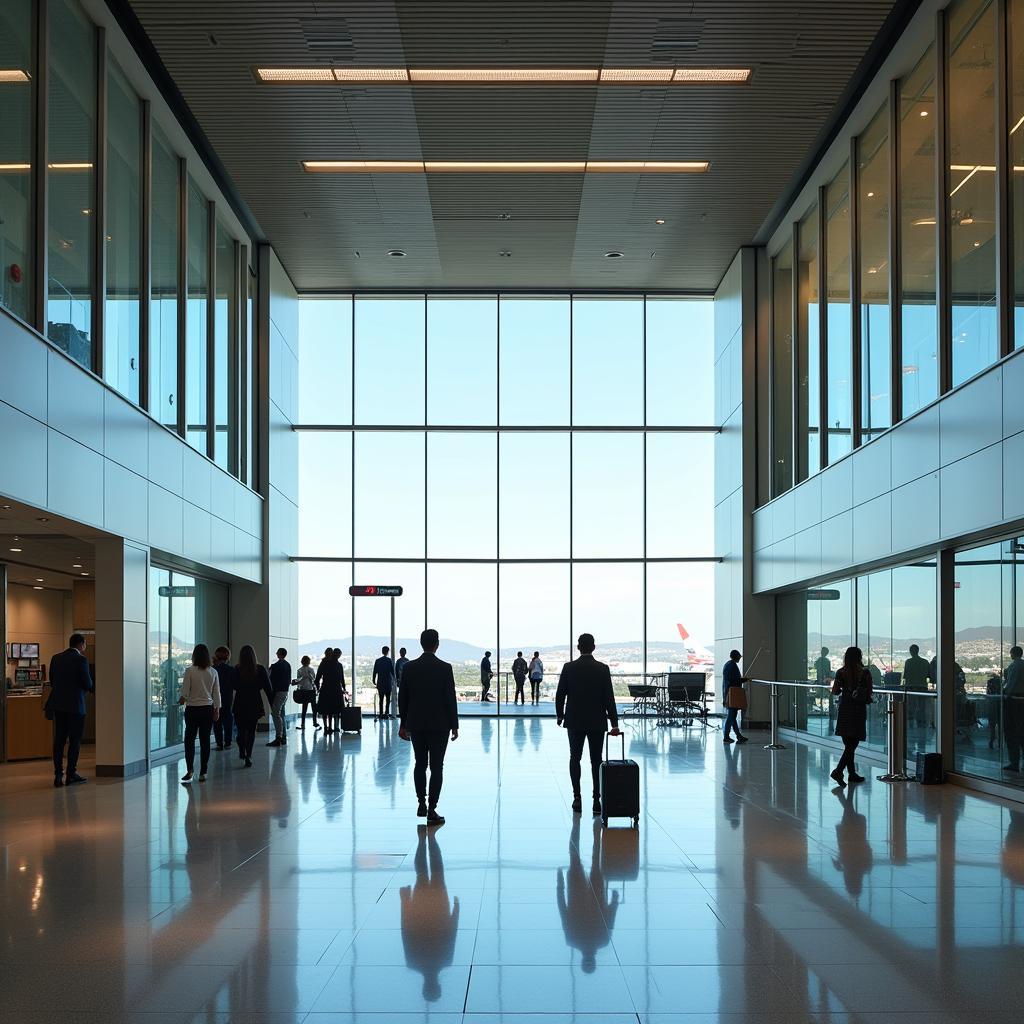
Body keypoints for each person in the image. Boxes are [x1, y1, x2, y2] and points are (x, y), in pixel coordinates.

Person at [555, 633, 621, 816]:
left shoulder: (569, 668)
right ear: (593, 647)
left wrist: (560, 715)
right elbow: (609, 698)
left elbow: (560, 694)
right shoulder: (602, 669)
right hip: (597, 721)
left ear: (578, 647)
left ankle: (577, 797)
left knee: (574, 758)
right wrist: (614, 723)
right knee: (596, 760)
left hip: (574, 720)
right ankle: (596, 800)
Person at [399, 629, 459, 825]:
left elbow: (403, 699)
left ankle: (420, 802)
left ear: (421, 643)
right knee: (436, 766)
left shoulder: (409, 668)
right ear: (437, 644)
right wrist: (454, 724)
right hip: (440, 724)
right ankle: (432, 808)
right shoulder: (445, 668)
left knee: (420, 764)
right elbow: (450, 699)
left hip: (416, 723)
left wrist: (403, 723)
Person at [400, 827, 460, 1002]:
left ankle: (430, 839)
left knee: (437, 874)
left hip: (438, 910)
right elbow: (406, 932)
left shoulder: (446, 960)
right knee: (421, 875)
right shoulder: (413, 962)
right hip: (421, 912)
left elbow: (451, 933)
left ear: (437, 986)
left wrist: (456, 910)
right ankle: (423, 841)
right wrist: (405, 902)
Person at [46, 632, 94, 787]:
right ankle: (71, 774)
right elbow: (87, 684)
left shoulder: (56, 658)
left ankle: (58, 775)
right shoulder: (81, 659)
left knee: (59, 741)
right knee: (74, 741)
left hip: (59, 706)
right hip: (76, 707)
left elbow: (53, 681)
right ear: (81, 644)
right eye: (85, 644)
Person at [178, 643, 221, 783]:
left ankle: (190, 769)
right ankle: (203, 771)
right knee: (205, 741)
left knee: (189, 740)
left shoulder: (190, 671)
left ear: (194, 655)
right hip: (207, 709)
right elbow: (216, 693)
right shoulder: (213, 672)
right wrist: (217, 709)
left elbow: (184, 692)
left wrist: (181, 700)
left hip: (192, 709)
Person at [830, 646, 873, 787]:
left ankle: (851, 773)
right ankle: (839, 771)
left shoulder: (841, 672)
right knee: (852, 744)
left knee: (848, 743)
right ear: (859, 657)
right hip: (858, 710)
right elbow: (868, 694)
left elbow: (835, 691)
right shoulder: (865, 673)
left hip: (845, 709)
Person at [234, 644, 273, 767]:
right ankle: (248, 755)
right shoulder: (260, 669)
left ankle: (241, 750)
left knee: (240, 730)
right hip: (255, 702)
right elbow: (268, 688)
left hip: (240, 702)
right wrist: (272, 704)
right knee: (251, 731)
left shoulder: (237, 669)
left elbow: (233, 686)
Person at [721, 649, 749, 744]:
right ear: (736, 657)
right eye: (739, 657)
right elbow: (733, 680)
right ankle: (726, 736)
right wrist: (743, 680)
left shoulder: (728, 664)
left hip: (729, 693)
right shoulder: (732, 665)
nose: (740, 659)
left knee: (732, 716)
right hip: (732, 694)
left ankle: (738, 736)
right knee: (731, 716)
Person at [212, 645, 237, 751]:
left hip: (214, 699)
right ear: (228, 657)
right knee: (228, 720)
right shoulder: (231, 670)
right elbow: (235, 685)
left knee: (216, 720)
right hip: (227, 698)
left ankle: (219, 743)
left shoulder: (213, 669)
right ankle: (228, 742)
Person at [1003, 646, 1024, 772]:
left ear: (1012, 654)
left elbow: (1011, 683)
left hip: (1014, 701)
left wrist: (1006, 695)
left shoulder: (1014, 666)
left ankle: (1014, 762)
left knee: (1012, 732)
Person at [317, 648, 347, 734]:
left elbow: (318, 677)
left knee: (325, 709)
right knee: (333, 709)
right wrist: (344, 688)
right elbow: (342, 679)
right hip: (336, 689)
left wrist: (318, 687)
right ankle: (331, 727)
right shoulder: (339, 665)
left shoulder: (324, 664)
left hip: (325, 688)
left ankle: (326, 727)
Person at [904, 643, 931, 731]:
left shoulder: (908, 662)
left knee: (911, 707)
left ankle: (910, 725)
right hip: (922, 687)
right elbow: (929, 675)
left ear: (911, 652)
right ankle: (921, 724)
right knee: (921, 707)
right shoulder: (925, 662)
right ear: (918, 651)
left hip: (910, 687)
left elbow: (905, 676)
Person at [267, 648, 291, 747]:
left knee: (275, 713)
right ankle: (283, 737)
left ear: (278, 654)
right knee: (281, 715)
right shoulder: (288, 665)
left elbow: (269, 679)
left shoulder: (275, 666)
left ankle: (279, 737)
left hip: (278, 692)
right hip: (285, 692)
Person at [294, 654, 319, 729]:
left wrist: (303, 678)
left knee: (304, 708)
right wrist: (308, 676)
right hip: (311, 691)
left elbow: (298, 681)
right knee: (314, 708)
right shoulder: (311, 669)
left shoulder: (299, 670)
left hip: (303, 690)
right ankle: (315, 722)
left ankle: (303, 724)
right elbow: (314, 679)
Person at [373, 645, 396, 720]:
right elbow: (392, 672)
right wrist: (394, 680)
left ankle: (381, 714)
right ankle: (386, 713)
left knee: (381, 699)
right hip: (388, 682)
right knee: (388, 699)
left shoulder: (378, 661)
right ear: (388, 652)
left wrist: (374, 681)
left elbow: (374, 672)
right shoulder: (389, 661)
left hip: (380, 682)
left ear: (382, 651)